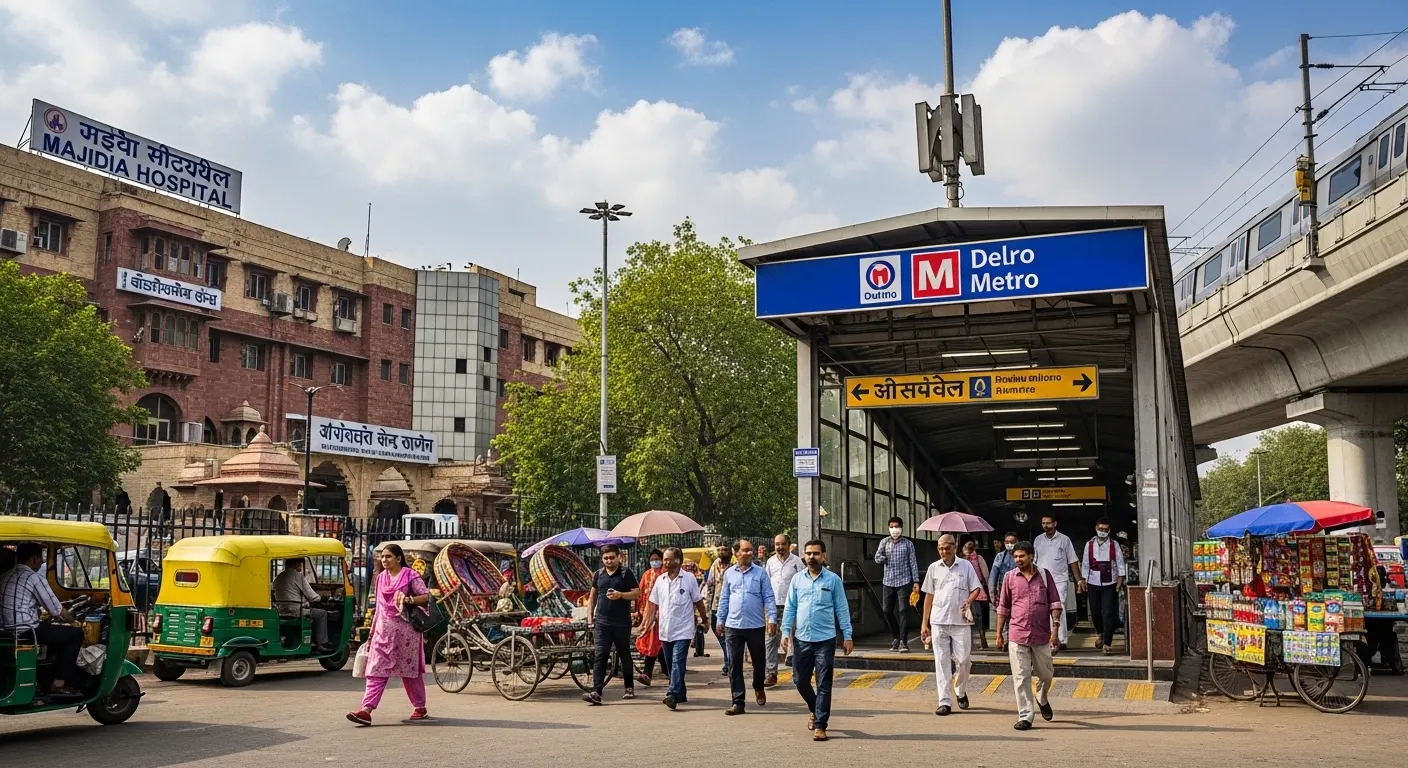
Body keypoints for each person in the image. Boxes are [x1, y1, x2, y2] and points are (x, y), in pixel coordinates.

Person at [347, 543, 431, 725]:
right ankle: (366, 710)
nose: (384, 560)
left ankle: (420, 707)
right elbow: (378, 607)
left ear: (399, 558)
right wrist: (372, 632)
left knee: (410, 672)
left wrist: (409, 599)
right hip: (382, 633)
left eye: (389, 557)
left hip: (406, 634)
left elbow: (425, 596)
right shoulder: (380, 579)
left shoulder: (410, 576)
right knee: (376, 670)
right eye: (383, 557)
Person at [780, 539, 853, 742]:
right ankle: (814, 708)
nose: (811, 557)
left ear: (824, 556)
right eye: (808, 553)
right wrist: (785, 632)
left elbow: (842, 609)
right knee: (799, 681)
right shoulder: (797, 580)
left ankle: (820, 725)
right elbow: (790, 607)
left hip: (825, 641)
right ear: (804, 555)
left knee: (824, 683)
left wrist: (847, 635)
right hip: (802, 639)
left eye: (816, 554)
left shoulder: (833, 580)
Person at [995, 541, 1063, 731]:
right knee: (1021, 676)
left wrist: (1055, 630)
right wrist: (999, 634)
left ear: (1032, 556)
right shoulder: (1009, 578)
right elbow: (1003, 607)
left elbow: (1055, 603)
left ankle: (1041, 697)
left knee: (1046, 674)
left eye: (1021, 556)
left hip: (1041, 635)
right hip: (1017, 634)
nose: (1018, 560)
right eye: (1015, 556)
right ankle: (1025, 715)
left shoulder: (1044, 575)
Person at [0, 543, 82, 697]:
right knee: (75, 634)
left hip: (5, 631)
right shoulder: (33, 577)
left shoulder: (5, 576)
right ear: (34, 559)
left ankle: (44, 677)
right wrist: (73, 621)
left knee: (52, 631)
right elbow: (56, 610)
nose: (42, 562)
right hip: (25, 630)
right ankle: (59, 684)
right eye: (41, 559)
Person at [638, 547, 709, 710]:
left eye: (669, 559)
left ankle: (672, 693)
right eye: (665, 559)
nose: (666, 562)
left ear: (679, 561)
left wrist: (705, 620)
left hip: (683, 629)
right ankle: (681, 693)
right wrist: (646, 624)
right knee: (671, 664)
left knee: (677, 662)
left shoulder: (689, 578)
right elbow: (652, 604)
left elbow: (698, 601)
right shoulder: (660, 580)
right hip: (665, 629)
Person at [919, 534, 982, 716]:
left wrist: (969, 601)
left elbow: (976, 588)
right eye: (940, 548)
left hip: (960, 621)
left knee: (964, 661)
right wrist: (924, 623)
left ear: (955, 547)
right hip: (938, 621)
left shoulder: (966, 566)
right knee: (941, 661)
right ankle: (944, 701)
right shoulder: (934, 568)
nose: (944, 552)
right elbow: (928, 596)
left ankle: (960, 691)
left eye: (947, 548)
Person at [715, 538, 777, 716]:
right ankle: (738, 701)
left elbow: (769, 597)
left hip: (755, 625)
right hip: (733, 626)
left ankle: (758, 686)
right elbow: (724, 598)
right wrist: (720, 619)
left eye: (751, 550)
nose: (750, 553)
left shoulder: (760, 573)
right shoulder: (729, 574)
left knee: (759, 662)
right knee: (735, 664)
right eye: (746, 550)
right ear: (736, 553)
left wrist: (771, 618)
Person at [583, 544, 641, 705]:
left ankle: (629, 687)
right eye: (606, 558)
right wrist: (590, 617)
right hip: (602, 622)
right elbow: (592, 597)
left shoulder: (625, 573)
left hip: (622, 622)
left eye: (612, 557)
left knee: (624, 654)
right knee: (600, 655)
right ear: (602, 559)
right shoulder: (598, 575)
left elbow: (637, 593)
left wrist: (621, 595)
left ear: (619, 557)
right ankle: (596, 691)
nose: (609, 561)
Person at [1034, 515, 1082, 649]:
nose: (1046, 526)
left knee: (1058, 608)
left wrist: (1079, 580)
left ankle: (1061, 640)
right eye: (1043, 523)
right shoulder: (1038, 540)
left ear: (1055, 523)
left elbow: (1072, 561)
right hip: (1042, 579)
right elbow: (1034, 561)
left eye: (1048, 523)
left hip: (1060, 580)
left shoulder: (1064, 539)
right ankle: (1049, 638)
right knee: (1043, 609)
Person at [1080, 518, 1127, 654]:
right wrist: (1083, 580)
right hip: (1093, 581)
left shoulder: (1114, 545)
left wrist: (1120, 578)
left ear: (1109, 530)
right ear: (1096, 528)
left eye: (1105, 530)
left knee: (1108, 613)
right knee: (1095, 612)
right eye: (1100, 529)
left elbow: (1119, 562)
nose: (1102, 532)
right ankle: (1100, 633)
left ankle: (1107, 642)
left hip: (1109, 582)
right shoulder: (1089, 544)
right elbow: (1085, 563)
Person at [764, 533, 805, 686]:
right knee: (770, 640)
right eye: (777, 544)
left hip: (793, 606)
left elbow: (802, 582)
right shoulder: (770, 562)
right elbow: (766, 584)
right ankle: (771, 673)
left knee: (795, 640)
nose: (780, 547)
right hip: (773, 607)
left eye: (782, 544)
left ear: (788, 545)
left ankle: (797, 672)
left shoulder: (797, 562)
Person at [874, 516, 920, 652]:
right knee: (886, 610)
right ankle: (896, 636)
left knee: (903, 611)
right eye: (892, 526)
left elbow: (913, 563)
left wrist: (916, 581)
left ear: (901, 528)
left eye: (897, 526)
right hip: (888, 581)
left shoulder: (908, 544)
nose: (895, 529)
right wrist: (884, 558)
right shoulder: (884, 542)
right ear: (889, 528)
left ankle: (903, 642)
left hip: (904, 582)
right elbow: (877, 557)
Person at [274, 557, 331, 653]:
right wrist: (321, 598)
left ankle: (314, 641)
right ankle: (322, 644)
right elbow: (312, 596)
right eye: (299, 564)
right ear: (296, 564)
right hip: (296, 611)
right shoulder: (297, 576)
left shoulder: (278, 577)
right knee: (321, 614)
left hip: (282, 611)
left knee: (313, 612)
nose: (300, 567)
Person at [634, 548, 667, 686]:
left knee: (658, 644)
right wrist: (638, 612)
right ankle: (664, 671)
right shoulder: (646, 575)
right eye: (652, 559)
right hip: (648, 616)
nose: (654, 562)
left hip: (664, 615)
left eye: (657, 559)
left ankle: (649, 673)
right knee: (654, 643)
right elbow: (640, 594)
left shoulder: (666, 574)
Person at [704, 543, 735, 675]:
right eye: (720, 550)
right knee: (720, 634)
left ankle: (729, 663)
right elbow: (710, 586)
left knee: (729, 636)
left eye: (725, 549)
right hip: (716, 605)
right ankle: (729, 660)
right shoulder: (715, 565)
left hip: (731, 607)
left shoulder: (734, 566)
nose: (722, 552)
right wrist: (707, 609)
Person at [989, 532, 1019, 648]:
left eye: (1012, 542)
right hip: (1003, 589)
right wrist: (992, 594)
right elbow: (993, 575)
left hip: (1018, 589)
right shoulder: (1000, 557)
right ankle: (1006, 640)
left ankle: (1014, 639)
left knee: (1016, 616)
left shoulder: (1021, 555)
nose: (1010, 544)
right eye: (1007, 542)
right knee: (1004, 615)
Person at [961, 539, 992, 650]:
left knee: (977, 616)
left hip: (976, 590)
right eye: (966, 544)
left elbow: (986, 575)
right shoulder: (959, 560)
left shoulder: (979, 558)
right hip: (962, 591)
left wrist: (989, 589)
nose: (969, 546)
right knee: (963, 617)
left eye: (971, 544)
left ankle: (983, 641)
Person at [682, 560, 707, 657]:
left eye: (690, 568)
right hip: (690, 603)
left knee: (694, 621)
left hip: (693, 602)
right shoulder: (688, 577)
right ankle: (692, 639)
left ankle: (692, 639)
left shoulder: (694, 578)